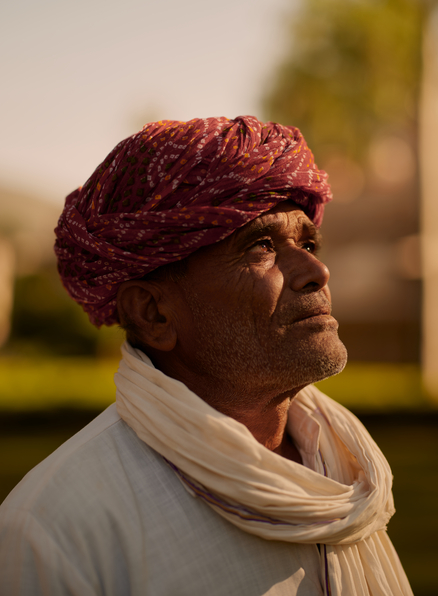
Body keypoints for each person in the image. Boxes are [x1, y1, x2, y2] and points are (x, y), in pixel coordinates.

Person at [0, 116, 413, 596]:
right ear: (154, 313)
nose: (316, 271)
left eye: (307, 243)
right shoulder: (57, 530)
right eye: (261, 247)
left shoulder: (344, 468)